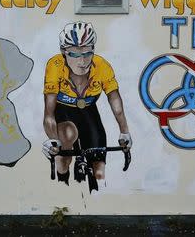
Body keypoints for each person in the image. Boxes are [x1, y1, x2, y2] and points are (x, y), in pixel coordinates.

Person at [42, 21, 132, 188]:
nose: (82, 61)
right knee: (67, 137)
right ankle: (63, 184)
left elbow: (115, 100)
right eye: (75, 54)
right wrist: (53, 139)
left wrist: (124, 132)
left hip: (89, 112)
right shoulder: (55, 66)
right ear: (64, 52)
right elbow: (49, 112)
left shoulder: (102, 66)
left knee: (99, 171)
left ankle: (98, 198)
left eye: (87, 53)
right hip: (63, 113)